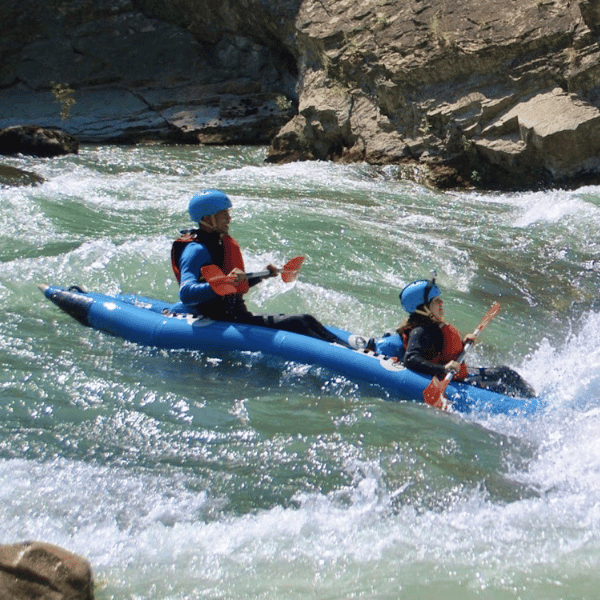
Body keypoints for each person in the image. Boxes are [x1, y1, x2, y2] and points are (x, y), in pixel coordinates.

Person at [170, 189, 350, 346]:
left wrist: (263, 275)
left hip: (236, 316)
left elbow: (233, 286)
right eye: (223, 214)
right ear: (208, 218)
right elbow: (186, 293)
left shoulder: (219, 243)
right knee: (300, 322)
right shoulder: (195, 249)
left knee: (307, 320)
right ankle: (350, 356)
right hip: (221, 320)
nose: (229, 218)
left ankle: (354, 350)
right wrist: (222, 283)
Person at [371, 278, 536, 398]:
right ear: (422, 308)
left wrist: (463, 344)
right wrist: (443, 369)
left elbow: (439, 350)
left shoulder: (432, 328)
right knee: (507, 376)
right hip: (445, 376)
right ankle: (532, 402)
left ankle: (532, 398)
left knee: (506, 373)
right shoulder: (420, 331)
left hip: (452, 373)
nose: (441, 303)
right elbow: (411, 359)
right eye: (436, 301)